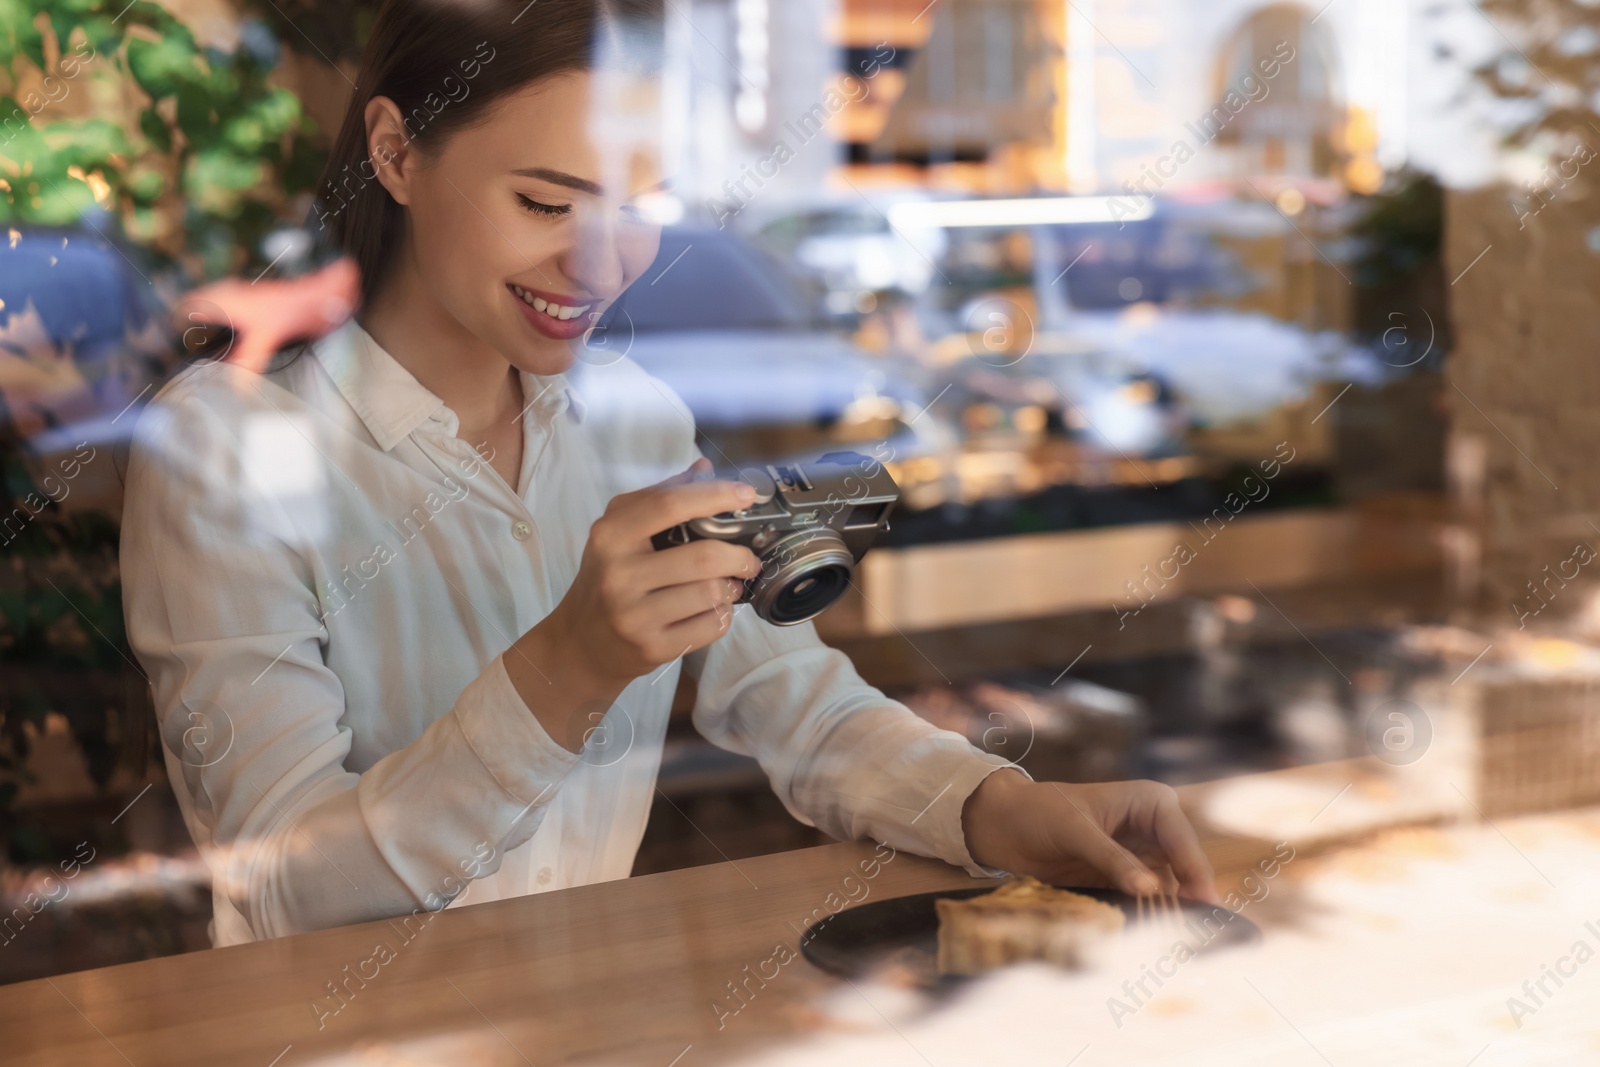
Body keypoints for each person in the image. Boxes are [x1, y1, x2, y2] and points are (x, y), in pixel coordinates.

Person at [121, 0, 1216, 948]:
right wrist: (566, 665)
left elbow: (799, 703)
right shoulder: (227, 450)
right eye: (547, 204)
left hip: (597, 1009)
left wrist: (1002, 806)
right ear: (397, 152)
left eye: (642, 202)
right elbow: (290, 892)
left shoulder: (634, 420)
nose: (602, 261)